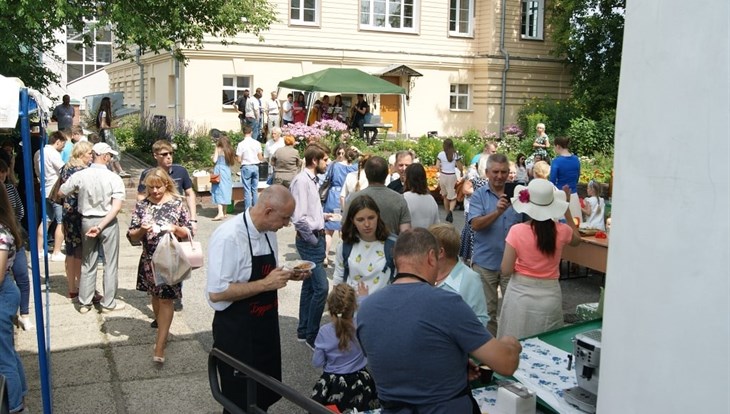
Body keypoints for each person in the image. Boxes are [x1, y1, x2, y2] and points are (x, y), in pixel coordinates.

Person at [356, 228, 522, 413]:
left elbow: (396, 354)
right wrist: (511, 343)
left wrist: (451, 363)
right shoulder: (447, 302)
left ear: (396, 260)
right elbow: (506, 364)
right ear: (431, 258)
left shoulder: (366, 309)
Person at [206, 185, 298, 413]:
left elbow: (268, 273)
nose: (287, 224)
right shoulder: (229, 236)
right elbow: (217, 293)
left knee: (262, 396)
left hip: (265, 330)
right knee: (238, 401)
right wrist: (266, 284)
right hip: (237, 336)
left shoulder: (268, 233)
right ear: (268, 212)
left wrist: (289, 274)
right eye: (285, 218)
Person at [498, 179, 581, 339]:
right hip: (550, 295)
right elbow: (577, 239)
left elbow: (506, 270)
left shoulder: (517, 231)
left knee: (515, 342)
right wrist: (567, 210)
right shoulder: (562, 231)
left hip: (520, 295)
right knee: (547, 342)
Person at [128, 168, 193, 363]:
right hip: (149, 260)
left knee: (166, 300)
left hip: (170, 260)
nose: (155, 191)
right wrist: (141, 230)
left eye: (159, 186)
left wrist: (175, 228)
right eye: (151, 187)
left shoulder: (176, 204)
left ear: (167, 184)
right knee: (155, 296)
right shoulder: (142, 206)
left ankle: (160, 344)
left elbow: (188, 231)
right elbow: (131, 235)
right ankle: (163, 331)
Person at [59, 143, 126, 313]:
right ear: (104, 156)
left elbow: (61, 191)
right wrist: (102, 225)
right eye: (109, 155)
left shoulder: (81, 175)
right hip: (108, 221)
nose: (110, 158)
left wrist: (78, 193)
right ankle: (108, 302)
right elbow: (116, 207)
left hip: (87, 220)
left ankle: (84, 302)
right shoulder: (114, 178)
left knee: (88, 261)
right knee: (110, 263)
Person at [469, 153, 522, 336]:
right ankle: (489, 355)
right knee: (487, 313)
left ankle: (509, 349)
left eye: (504, 172)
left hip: (513, 264)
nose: (500, 176)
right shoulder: (479, 196)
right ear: (487, 173)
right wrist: (497, 212)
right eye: (495, 172)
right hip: (485, 263)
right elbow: (475, 225)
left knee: (513, 312)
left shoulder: (519, 196)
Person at [311, 284, 379, 412]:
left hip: (332, 384)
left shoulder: (324, 332)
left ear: (330, 308)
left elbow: (317, 362)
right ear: (354, 307)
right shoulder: (361, 325)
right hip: (361, 381)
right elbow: (368, 313)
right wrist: (363, 298)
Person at [291, 143, 332, 349]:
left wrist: (322, 217)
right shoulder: (301, 181)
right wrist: (314, 239)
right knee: (321, 288)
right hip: (311, 240)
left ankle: (304, 330)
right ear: (314, 160)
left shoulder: (311, 180)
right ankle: (311, 335)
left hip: (316, 236)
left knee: (310, 286)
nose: (328, 162)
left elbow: (308, 212)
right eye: (325, 159)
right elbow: (298, 218)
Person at [0, 184, 28, 414]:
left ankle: (15, 406)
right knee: (7, 351)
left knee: (2, 358)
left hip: (3, 294)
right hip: (6, 292)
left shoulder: (1, 233)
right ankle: (20, 394)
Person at [429, 223, 489, 327]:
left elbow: (480, 321)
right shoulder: (425, 270)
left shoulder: (470, 279)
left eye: (426, 246)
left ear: (440, 252)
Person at [333, 195, 394, 294]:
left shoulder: (393, 246)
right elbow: (338, 279)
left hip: (383, 307)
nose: (367, 224)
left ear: (378, 216)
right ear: (352, 221)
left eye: (371, 218)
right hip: (353, 307)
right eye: (360, 220)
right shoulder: (344, 246)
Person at [137, 140, 198, 240]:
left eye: (171, 153)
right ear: (155, 156)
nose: (169, 157)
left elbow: (189, 194)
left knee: (181, 250)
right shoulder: (148, 174)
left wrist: (193, 220)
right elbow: (141, 195)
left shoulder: (180, 171)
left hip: (177, 218)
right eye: (164, 154)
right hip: (155, 220)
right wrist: (144, 217)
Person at [58, 141, 95, 302]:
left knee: (70, 250)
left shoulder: (66, 167)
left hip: (67, 212)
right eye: (89, 154)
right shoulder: (83, 171)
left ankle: (71, 288)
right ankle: (81, 286)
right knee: (81, 251)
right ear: (81, 154)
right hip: (79, 213)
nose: (91, 157)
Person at [0, 161, 32, 330]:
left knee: (22, 276)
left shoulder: (10, 189)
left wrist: (11, 224)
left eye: (3, 172)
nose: (1, 175)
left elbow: (20, 210)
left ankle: (25, 314)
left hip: (14, 234)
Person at [345, 156, 411, 235]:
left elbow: (345, 226)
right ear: (387, 174)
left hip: (360, 245)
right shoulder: (399, 199)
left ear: (366, 174)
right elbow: (405, 232)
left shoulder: (353, 198)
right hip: (391, 245)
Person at [34, 130, 67, 261]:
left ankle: (39, 250)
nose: (63, 148)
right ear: (57, 141)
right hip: (55, 190)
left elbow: (37, 171)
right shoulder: (53, 153)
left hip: (44, 189)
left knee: (46, 220)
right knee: (61, 221)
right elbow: (63, 169)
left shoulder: (38, 152)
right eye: (62, 145)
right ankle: (57, 252)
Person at [323, 144, 358, 264]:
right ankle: (344, 257)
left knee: (328, 231)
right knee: (344, 230)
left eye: (341, 153)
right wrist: (357, 152)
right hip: (347, 197)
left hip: (333, 195)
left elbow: (326, 177)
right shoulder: (354, 168)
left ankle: (325, 257)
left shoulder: (334, 165)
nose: (340, 155)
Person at [95, 96, 129, 177]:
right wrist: (115, 126)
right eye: (110, 103)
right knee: (113, 151)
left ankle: (117, 170)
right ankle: (116, 170)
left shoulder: (101, 112)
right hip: (107, 134)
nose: (111, 104)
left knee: (110, 151)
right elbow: (103, 125)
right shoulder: (104, 113)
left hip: (104, 133)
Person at [550, 136, 582, 219]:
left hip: (560, 196)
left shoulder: (556, 161)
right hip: (574, 194)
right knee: (576, 222)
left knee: (560, 225)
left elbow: (552, 181)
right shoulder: (576, 159)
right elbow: (577, 176)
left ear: (558, 146)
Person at [403, 163, 440, 229]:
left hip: (410, 237)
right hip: (427, 236)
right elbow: (436, 224)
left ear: (408, 179)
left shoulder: (404, 198)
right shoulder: (431, 199)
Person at [236, 124, 264, 209]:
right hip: (255, 166)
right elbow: (260, 157)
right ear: (251, 132)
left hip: (246, 166)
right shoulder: (257, 143)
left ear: (243, 133)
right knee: (254, 189)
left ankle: (248, 209)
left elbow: (239, 159)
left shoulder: (241, 144)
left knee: (247, 190)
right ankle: (256, 208)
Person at [436, 138, 463, 223]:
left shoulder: (440, 154)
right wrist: (461, 172)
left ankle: (447, 213)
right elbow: (459, 166)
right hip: (452, 176)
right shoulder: (455, 154)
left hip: (443, 175)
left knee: (445, 196)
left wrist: (440, 171)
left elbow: (437, 166)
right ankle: (451, 211)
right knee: (453, 197)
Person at [211, 136, 236, 221]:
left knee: (218, 190)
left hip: (218, 170)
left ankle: (220, 213)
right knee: (226, 189)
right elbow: (232, 163)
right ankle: (224, 212)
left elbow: (214, 160)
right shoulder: (230, 150)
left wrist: (212, 157)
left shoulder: (218, 148)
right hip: (227, 170)